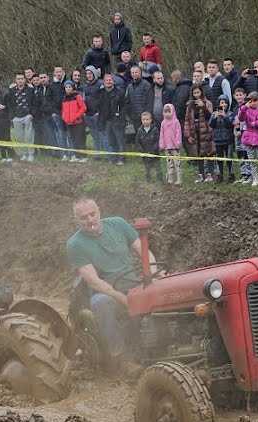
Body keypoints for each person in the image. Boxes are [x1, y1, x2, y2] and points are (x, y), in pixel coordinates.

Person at [66, 198, 160, 375]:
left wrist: (154, 274)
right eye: (83, 217)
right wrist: (122, 298)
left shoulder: (118, 224)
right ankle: (121, 359)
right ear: (77, 221)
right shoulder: (75, 244)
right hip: (107, 292)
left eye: (92, 214)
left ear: (99, 211)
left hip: (134, 285)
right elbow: (93, 281)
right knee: (101, 303)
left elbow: (144, 252)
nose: (90, 220)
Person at [183, 84, 214, 181]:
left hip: (205, 130)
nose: (196, 94)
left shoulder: (207, 102)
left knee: (208, 152)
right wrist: (187, 135)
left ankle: (210, 174)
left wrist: (203, 106)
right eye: (194, 93)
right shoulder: (189, 105)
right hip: (194, 130)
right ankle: (201, 174)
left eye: (198, 92)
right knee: (198, 153)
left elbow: (211, 116)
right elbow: (187, 120)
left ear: (201, 92)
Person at [96, 73, 125, 164]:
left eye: (110, 80)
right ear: (104, 82)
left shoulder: (119, 92)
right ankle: (113, 158)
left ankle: (122, 159)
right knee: (110, 141)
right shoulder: (101, 93)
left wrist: (120, 116)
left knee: (120, 140)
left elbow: (124, 106)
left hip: (117, 119)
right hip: (106, 120)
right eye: (106, 80)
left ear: (113, 81)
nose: (108, 82)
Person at [9, 72, 37, 161]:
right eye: (18, 79)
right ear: (15, 80)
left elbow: (34, 103)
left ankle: (31, 154)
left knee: (29, 136)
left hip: (27, 116)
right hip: (16, 117)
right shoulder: (12, 90)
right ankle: (23, 154)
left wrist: (31, 114)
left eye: (22, 79)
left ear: (24, 80)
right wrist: (12, 117)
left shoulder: (30, 90)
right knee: (19, 137)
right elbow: (10, 104)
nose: (20, 80)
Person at [209, 98, 235, 183]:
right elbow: (211, 125)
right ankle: (220, 175)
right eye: (221, 103)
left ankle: (231, 175)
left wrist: (225, 117)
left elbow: (231, 125)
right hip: (218, 140)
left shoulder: (230, 114)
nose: (223, 105)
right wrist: (215, 118)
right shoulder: (214, 114)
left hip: (228, 140)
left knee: (229, 158)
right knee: (219, 159)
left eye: (225, 103)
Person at [61, 80, 88, 162]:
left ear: (72, 88)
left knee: (80, 139)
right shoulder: (64, 98)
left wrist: (77, 116)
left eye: (69, 87)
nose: (68, 89)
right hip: (69, 123)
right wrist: (64, 118)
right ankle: (76, 155)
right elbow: (63, 110)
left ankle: (83, 156)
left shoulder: (77, 96)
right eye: (66, 87)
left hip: (78, 122)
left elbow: (83, 107)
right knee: (72, 140)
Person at [135, 111, 162, 183]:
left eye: (147, 119)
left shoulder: (155, 129)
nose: (145, 121)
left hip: (155, 153)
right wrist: (141, 150)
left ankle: (159, 180)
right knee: (147, 168)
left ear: (150, 120)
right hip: (145, 153)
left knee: (157, 167)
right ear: (141, 120)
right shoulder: (139, 130)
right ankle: (147, 180)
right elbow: (137, 142)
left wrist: (153, 150)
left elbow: (157, 141)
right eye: (143, 120)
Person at [159, 103, 183, 184]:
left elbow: (178, 132)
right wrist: (162, 144)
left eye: (169, 111)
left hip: (175, 147)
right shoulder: (163, 123)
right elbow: (161, 134)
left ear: (172, 111)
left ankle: (179, 179)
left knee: (177, 163)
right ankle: (170, 178)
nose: (167, 113)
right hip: (167, 147)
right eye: (165, 112)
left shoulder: (176, 122)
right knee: (169, 164)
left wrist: (178, 143)